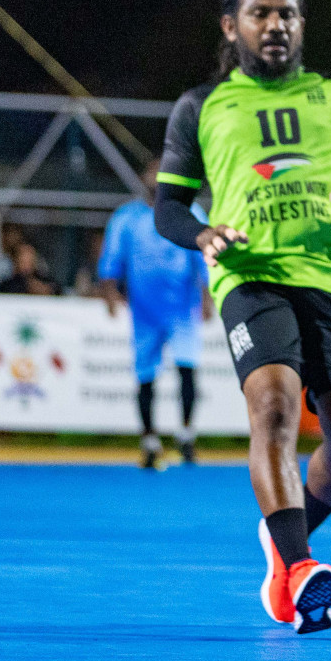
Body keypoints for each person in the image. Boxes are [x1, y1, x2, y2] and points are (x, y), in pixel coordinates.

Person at [153, 0, 331, 635]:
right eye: (260, 13)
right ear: (232, 27)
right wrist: (202, 233)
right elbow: (166, 207)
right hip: (251, 272)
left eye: (287, 13)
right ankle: (296, 567)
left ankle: (282, 539)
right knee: (273, 407)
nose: (276, 24)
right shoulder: (201, 107)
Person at [99, 158, 211, 468]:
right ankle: (149, 439)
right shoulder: (127, 218)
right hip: (144, 311)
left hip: (182, 309)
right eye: (151, 172)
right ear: (142, 178)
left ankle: (187, 435)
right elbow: (111, 261)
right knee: (145, 375)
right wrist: (110, 292)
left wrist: (207, 297)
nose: (157, 178)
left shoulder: (190, 213)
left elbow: (203, 257)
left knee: (187, 369)